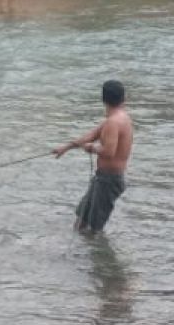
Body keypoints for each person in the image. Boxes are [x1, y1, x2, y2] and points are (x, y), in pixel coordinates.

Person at [52, 80, 133, 233]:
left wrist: (92, 148)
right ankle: (82, 253)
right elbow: (92, 135)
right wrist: (66, 147)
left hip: (109, 181)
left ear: (103, 99)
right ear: (124, 98)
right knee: (81, 220)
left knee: (93, 229)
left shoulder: (113, 122)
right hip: (103, 178)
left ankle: (98, 255)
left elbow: (109, 152)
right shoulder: (119, 118)